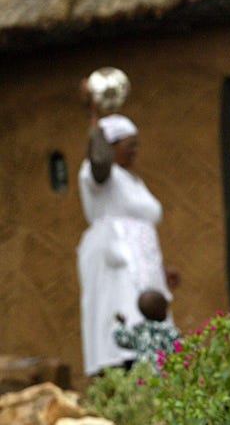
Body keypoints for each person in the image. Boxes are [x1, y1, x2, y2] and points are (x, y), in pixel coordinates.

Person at [76, 94, 178, 376]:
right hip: (114, 265)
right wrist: (94, 118)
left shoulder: (133, 181)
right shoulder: (99, 175)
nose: (135, 151)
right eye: (129, 145)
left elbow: (142, 236)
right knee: (120, 330)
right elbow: (98, 161)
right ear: (109, 146)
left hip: (142, 269)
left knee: (153, 338)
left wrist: (160, 269)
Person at [113, 289, 181, 369]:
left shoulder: (138, 330)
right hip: (163, 371)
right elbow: (178, 350)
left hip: (142, 371)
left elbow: (122, 339)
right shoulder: (168, 331)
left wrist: (120, 324)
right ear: (162, 310)